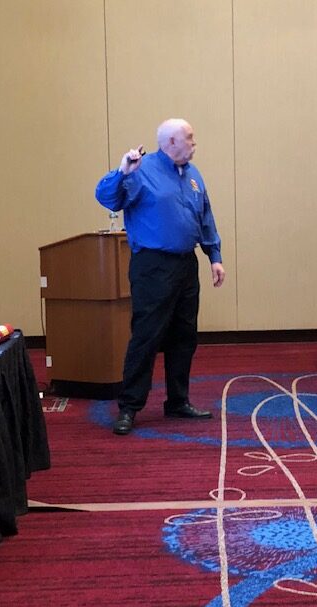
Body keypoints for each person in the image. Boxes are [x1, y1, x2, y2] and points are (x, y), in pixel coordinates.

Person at [95, 118, 225, 435]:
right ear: (171, 142)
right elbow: (107, 197)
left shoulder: (193, 175)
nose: (195, 142)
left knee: (184, 336)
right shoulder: (141, 170)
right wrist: (122, 171)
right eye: (189, 137)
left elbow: (205, 217)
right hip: (153, 266)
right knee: (147, 336)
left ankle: (178, 401)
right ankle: (129, 407)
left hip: (186, 266)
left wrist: (214, 257)